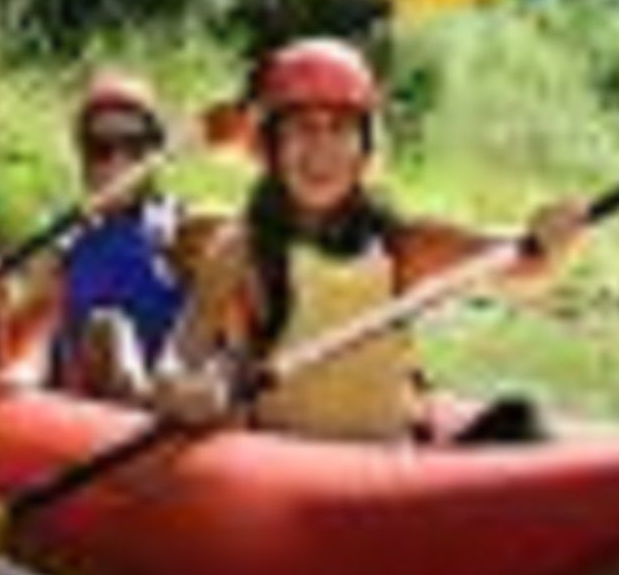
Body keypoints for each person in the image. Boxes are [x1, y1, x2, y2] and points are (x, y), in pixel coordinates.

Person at [155, 38, 587, 445]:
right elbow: (181, 351)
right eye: (303, 128)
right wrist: (182, 389)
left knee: (523, 419)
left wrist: (551, 236)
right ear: (272, 144)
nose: (322, 149)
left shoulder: (404, 243)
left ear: (364, 146)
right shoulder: (239, 249)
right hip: (283, 469)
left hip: (388, 467)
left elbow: (524, 261)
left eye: (340, 128)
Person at [0, 71, 210, 398]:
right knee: (106, 329)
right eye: (102, 149)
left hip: (164, 396)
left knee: (112, 330)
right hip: (84, 404)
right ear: (84, 160)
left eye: (134, 146)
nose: (118, 163)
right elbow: (12, 356)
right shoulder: (61, 249)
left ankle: (143, 399)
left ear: (153, 154)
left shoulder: (185, 228)